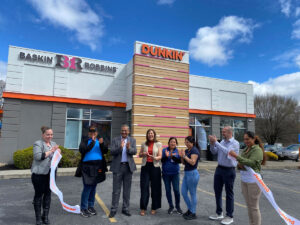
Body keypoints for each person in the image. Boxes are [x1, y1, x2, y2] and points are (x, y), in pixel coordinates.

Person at [229, 131, 266, 225]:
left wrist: (237, 157)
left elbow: (251, 162)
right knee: (249, 206)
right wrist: (239, 163)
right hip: (245, 180)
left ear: (253, 139)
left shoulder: (257, 150)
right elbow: (242, 162)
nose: (245, 141)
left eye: (247, 139)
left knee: (254, 207)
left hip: (254, 181)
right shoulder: (246, 148)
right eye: (244, 139)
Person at [208, 126, 239, 225]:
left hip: (229, 170)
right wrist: (212, 144)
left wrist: (216, 142)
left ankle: (229, 216)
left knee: (229, 193)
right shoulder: (222, 142)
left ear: (230, 132)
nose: (222, 133)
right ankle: (219, 213)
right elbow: (214, 152)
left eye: (224, 132)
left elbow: (228, 153)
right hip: (219, 168)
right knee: (217, 191)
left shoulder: (235, 143)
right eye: (222, 131)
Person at [31, 126, 61, 225]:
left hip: (50, 175)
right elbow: (38, 156)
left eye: (51, 134)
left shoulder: (54, 144)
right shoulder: (38, 143)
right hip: (39, 174)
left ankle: (45, 216)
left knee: (48, 195)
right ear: (43, 135)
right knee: (39, 195)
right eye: (48, 134)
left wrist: (58, 153)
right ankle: (38, 218)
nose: (50, 136)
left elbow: (56, 158)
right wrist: (52, 151)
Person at [79, 126, 108, 218]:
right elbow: (83, 150)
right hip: (87, 166)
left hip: (98, 166)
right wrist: (92, 142)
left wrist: (102, 144)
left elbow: (105, 151)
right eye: (91, 131)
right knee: (87, 187)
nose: (92, 133)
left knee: (93, 187)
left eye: (94, 131)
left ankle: (90, 206)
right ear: (88, 133)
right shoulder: (85, 141)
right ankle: (83, 208)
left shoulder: (100, 141)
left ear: (97, 132)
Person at [109, 124, 137, 218]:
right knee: (116, 190)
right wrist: (120, 148)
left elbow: (135, 151)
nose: (124, 132)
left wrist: (129, 148)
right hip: (118, 167)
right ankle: (113, 209)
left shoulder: (132, 140)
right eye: (122, 130)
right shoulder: (115, 140)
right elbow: (112, 151)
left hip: (128, 168)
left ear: (128, 131)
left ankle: (125, 208)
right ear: (120, 131)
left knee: (127, 190)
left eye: (126, 130)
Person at [139, 129, 162, 216]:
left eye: (152, 133)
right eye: (149, 133)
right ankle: (143, 208)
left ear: (154, 135)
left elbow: (160, 156)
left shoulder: (158, 144)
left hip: (155, 167)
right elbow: (139, 154)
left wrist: (155, 158)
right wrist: (143, 154)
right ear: (147, 135)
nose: (150, 134)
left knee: (155, 188)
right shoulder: (143, 144)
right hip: (145, 166)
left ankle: (154, 207)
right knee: (144, 187)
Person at [179, 136, 200, 220]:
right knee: (183, 192)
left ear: (192, 143)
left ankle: (193, 212)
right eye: (185, 142)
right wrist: (181, 156)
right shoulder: (187, 150)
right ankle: (191, 209)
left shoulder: (195, 150)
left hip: (193, 174)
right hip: (186, 173)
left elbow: (192, 162)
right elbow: (184, 163)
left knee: (192, 193)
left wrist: (184, 156)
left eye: (188, 142)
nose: (186, 143)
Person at [161, 137, 182, 215]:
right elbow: (162, 161)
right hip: (166, 174)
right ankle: (171, 206)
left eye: (174, 142)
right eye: (171, 142)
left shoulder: (178, 151)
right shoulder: (164, 150)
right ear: (168, 143)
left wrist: (172, 156)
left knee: (176, 190)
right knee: (168, 190)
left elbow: (179, 161)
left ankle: (178, 206)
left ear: (176, 144)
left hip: (175, 174)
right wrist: (166, 156)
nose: (172, 143)